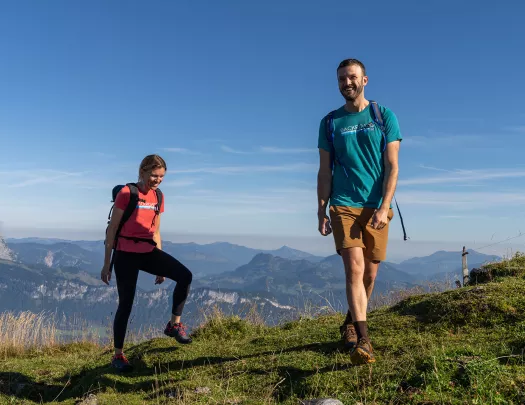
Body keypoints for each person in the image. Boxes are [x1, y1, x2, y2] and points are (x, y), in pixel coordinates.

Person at [317, 58, 402, 364]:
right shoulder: (330, 123)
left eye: (352, 77)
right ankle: (364, 343)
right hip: (343, 205)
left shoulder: (384, 116)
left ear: (364, 80)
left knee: (370, 273)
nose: (346, 83)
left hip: (377, 206)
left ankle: (350, 323)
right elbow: (324, 171)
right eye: (341, 79)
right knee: (354, 268)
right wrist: (321, 210)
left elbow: (393, 166)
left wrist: (384, 206)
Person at [101, 154, 193, 372]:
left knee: (185, 275)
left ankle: (174, 325)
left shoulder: (159, 197)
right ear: (142, 171)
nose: (157, 180)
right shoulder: (127, 193)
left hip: (148, 250)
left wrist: (160, 264)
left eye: (161, 176)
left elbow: (156, 230)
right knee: (126, 303)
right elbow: (112, 230)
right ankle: (118, 355)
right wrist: (107, 264)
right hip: (125, 254)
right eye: (154, 175)